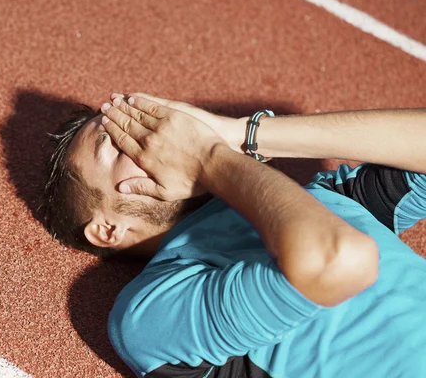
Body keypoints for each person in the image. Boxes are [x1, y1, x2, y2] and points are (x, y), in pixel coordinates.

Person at [40, 93, 426, 377]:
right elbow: (338, 260)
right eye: (117, 142)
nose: (152, 137)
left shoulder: (320, 200)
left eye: (142, 122)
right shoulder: (151, 313)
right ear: (109, 228)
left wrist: (242, 136)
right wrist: (205, 160)